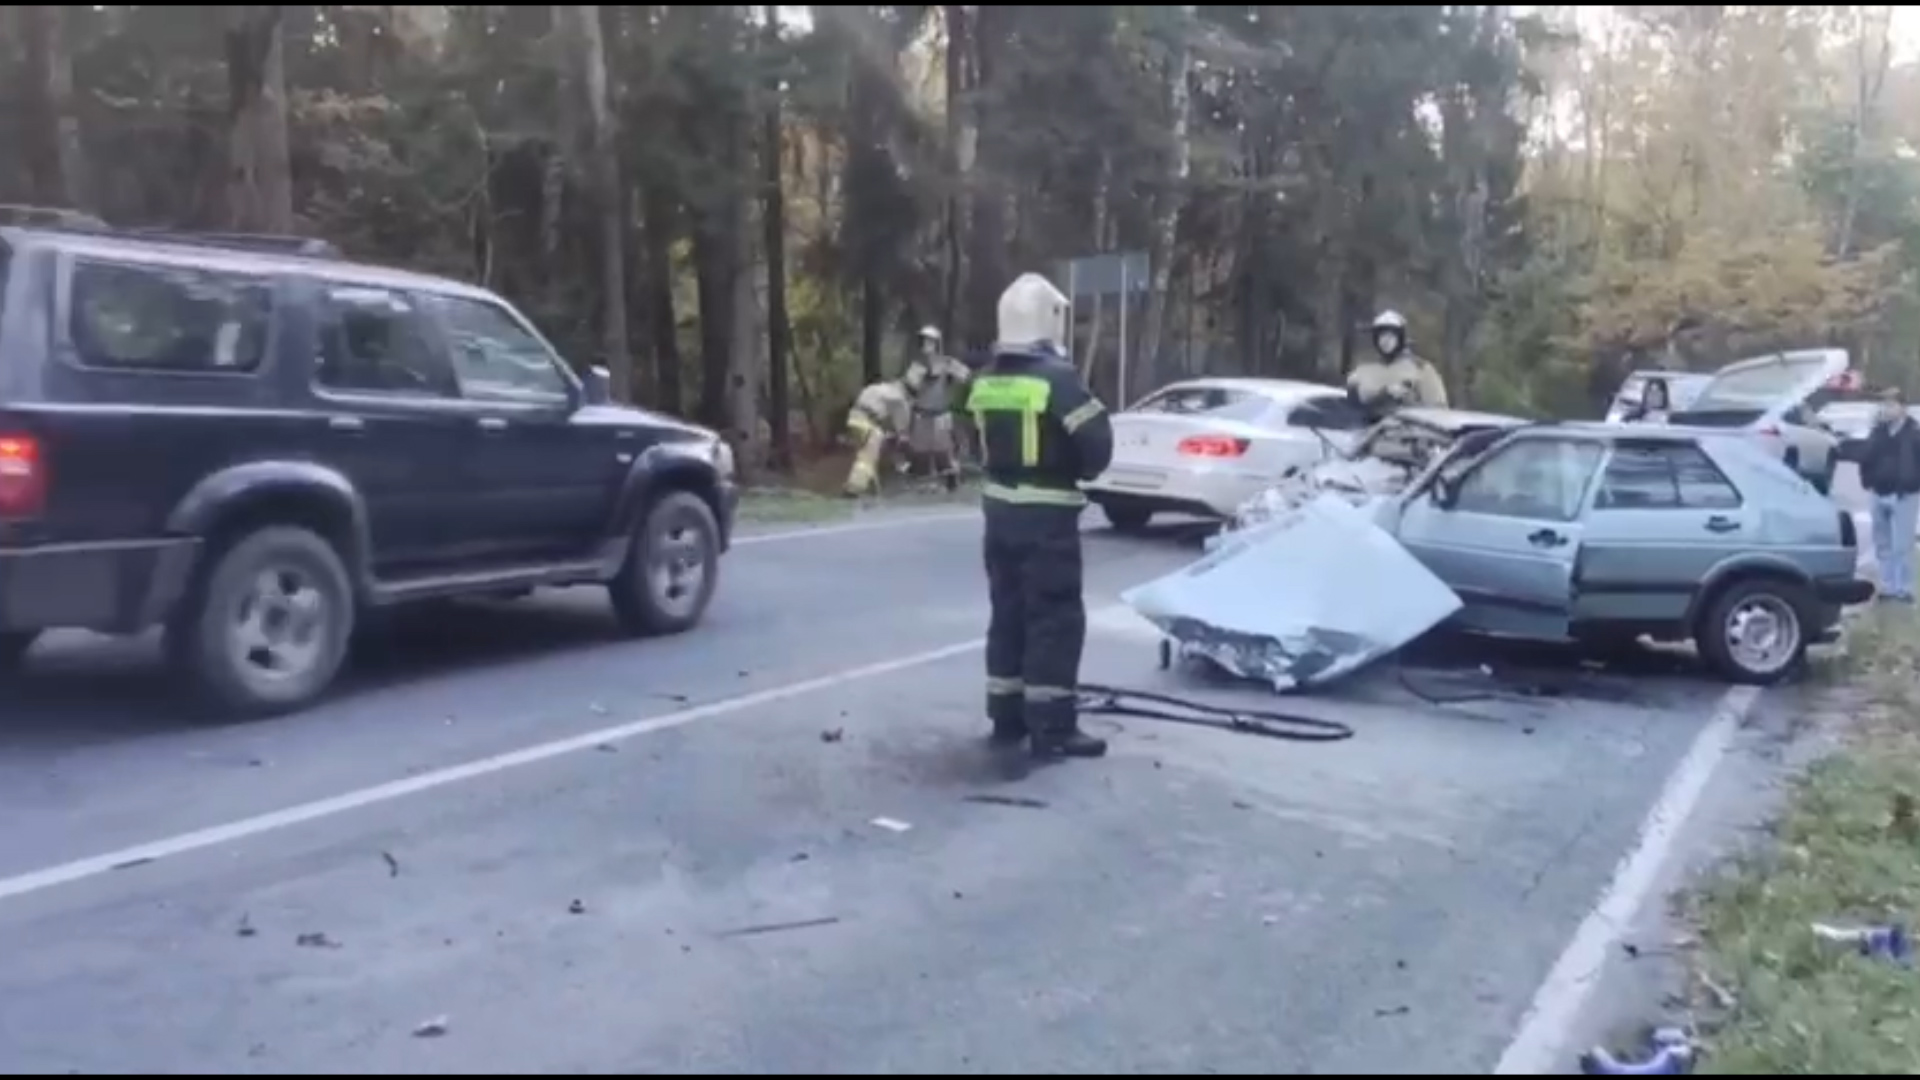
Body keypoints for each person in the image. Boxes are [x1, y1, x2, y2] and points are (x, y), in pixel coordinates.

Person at [973, 273, 1115, 760]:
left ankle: (1005, 715)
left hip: (998, 513)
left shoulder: (985, 378)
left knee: (1007, 613)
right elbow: (1098, 446)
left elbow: (972, 437)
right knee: (1053, 618)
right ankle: (1052, 725)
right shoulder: (1057, 379)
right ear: (1053, 320)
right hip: (1047, 517)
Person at [1861, 389, 1920, 602]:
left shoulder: (1914, 432)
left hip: (1904, 494)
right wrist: (1867, 480)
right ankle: (1887, 587)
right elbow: (1866, 456)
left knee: (1902, 545)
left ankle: (1903, 589)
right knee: (1882, 543)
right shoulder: (1878, 431)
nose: (1887, 409)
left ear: (1903, 408)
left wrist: (1912, 484)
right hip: (1879, 492)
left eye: (1891, 404)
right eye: (1884, 404)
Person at [902, 326, 972, 492]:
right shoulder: (917, 365)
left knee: (945, 451)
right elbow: (909, 387)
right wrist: (922, 375)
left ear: (938, 343)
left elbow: (966, 376)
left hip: (941, 414)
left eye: (931, 341)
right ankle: (926, 484)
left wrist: (951, 377)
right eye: (924, 341)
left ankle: (952, 483)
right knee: (921, 453)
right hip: (921, 414)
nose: (927, 344)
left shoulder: (947, 362)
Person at [1346, 310, 1449, 419]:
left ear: (1400, 338)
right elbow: (1352, 410)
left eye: (1391, 336)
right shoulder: (1363, 370)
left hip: (1408, 431)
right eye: (1381, 336)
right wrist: (1384, 395)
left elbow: (1438, 411)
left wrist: (1407, 402)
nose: (1385, 341)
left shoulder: (1421, 369)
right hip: (1368, 432)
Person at [841, 377, 914, 498]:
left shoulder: (878, 388)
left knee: (866, 455)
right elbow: (902, 422)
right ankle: (853, 490)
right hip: (866, 422)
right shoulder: (899, 397)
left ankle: (870, 489)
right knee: (866, 460)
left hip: (854, 419)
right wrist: (903, 436)